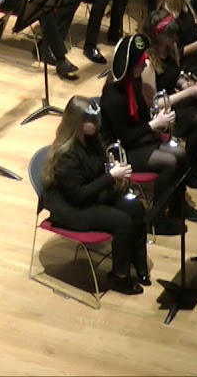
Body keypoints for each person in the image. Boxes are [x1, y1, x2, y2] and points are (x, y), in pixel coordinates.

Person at [42, 96, 149, 295]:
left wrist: (113, 169)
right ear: (78, 123)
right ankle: (119, 276)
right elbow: (78, 195)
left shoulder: (92, 140)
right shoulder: (66, 155)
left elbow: (97, 171)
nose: (96, 124)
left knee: (136, 207)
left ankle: (139, 265)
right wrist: (110, 176)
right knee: (122, 222)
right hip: (73, 209)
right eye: (91, 121)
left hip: (92, 196)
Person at [99, 34, 197, 234]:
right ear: (130, 66)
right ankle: (157, 219)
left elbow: (143, 117)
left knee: (180, 153)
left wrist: (160, 120)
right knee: (169, 162)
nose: (145, 64)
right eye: (141, 62)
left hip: (138, 141)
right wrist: (154, 124)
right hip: (121, 151)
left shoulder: (134, 82)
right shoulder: (113, 96)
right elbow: (124, 137)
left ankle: (177, 205)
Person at [144, 9, 197, 188]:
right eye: (170, 36)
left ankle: (194, 164)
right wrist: (188, 93)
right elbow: (154, 104)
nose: (174, 39)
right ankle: (188, 171)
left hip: (174, 100)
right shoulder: (148, 63)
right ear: (159, 37)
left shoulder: (170, 50)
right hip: (161, 114)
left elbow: (174, 76)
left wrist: (189, 85)